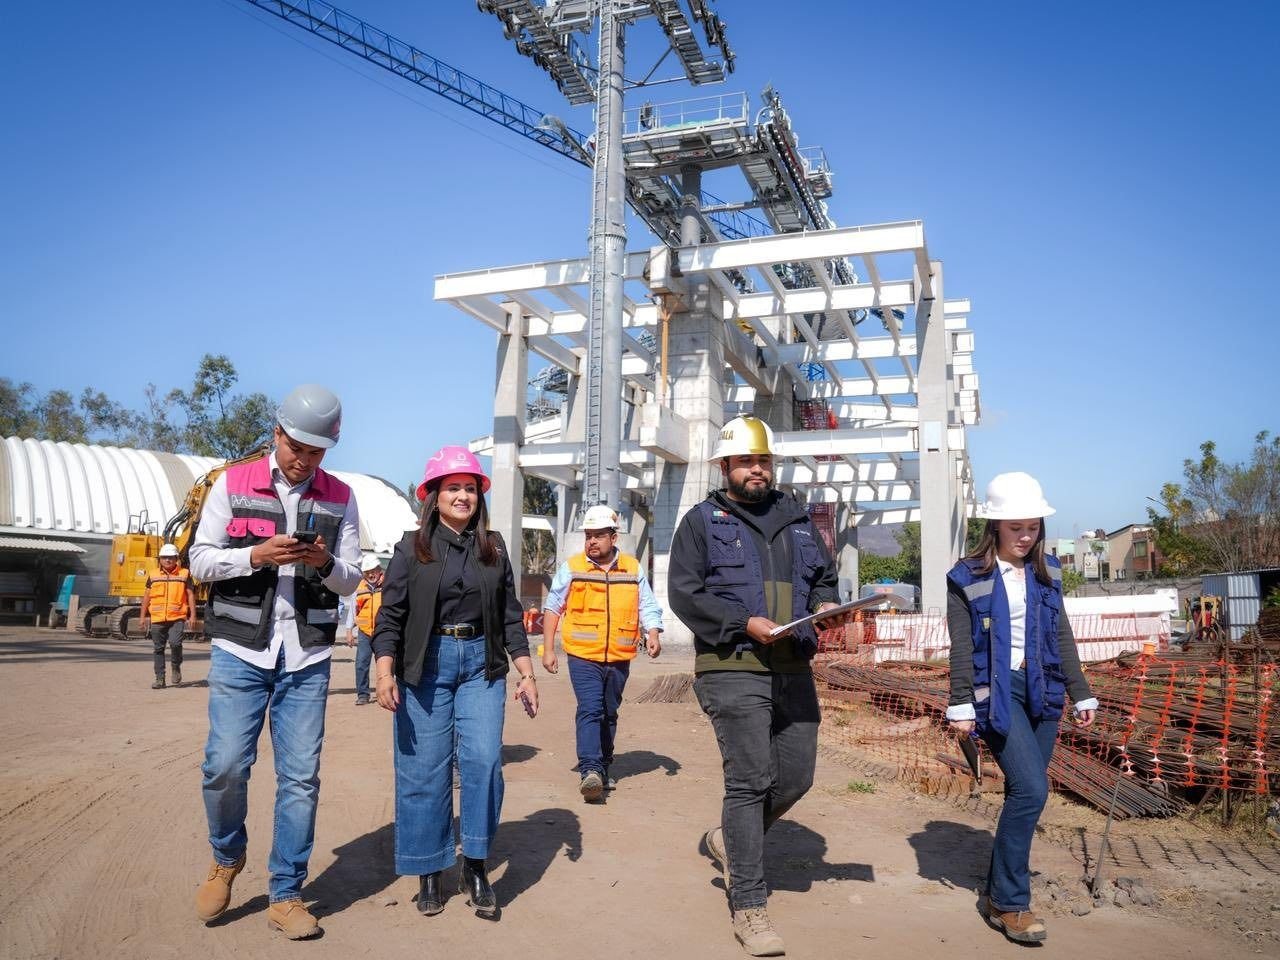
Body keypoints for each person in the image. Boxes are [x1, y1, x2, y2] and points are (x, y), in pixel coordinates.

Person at [667, 415, 853, 957]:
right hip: (732, 664)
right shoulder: (703, 521)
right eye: (746, 461)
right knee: (749, 781)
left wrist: (824, 608)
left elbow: (822, 578)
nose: (757, 470)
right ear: (724, 467)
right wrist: (742, 622)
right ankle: (749, 903)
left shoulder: (797, 519)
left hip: (792, 661)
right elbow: (686, 593)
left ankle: (730, 839)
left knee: (796, 776)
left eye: (764, 461)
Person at [188, 384, 362, 940]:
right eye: (297, 447)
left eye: (316, 452)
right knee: (225, 765)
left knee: (301, 778)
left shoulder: (341, 496)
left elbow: (354, 578)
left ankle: (286, 893)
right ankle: (226, 857)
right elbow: (199, 561)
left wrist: (326, 560)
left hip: (306, 654)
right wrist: (254, 556)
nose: (304, 460)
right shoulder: (231, 484)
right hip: (241, 650)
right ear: (277, 433)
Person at [372, 445, 537, 920]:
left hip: (481, 667)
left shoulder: (495, 548)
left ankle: (476, 865)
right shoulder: (412, 547)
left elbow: (510, 617)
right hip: (425, 666)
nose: (463, 496)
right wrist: (384, 671)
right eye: (453, 488)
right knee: (424, 770)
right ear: (434, 496)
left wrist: (525, 672)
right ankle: (430, 870)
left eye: (469, 488)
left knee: (484, 762)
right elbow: (391, 616)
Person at [945, 472, 1098, 945]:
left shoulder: (1046, 571)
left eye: (1032, 526)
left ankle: (997, 890)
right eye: (1016, 528)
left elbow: (1061, 637)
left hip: (1043, 688)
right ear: (995, 527)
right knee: (1033, 789)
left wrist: (1081, 691)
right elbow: (962, 646)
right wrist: (960, 704)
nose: (1026, 536)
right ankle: (1011, 903)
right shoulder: (966, 576)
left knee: (1023, 794)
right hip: (998, 690)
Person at [541, 504, 663, 802]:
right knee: (590, 708)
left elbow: (646, 604)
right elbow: (553, 606)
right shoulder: (572, 567)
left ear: (613, 537)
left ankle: (603, 766)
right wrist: (547, 649)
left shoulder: (633, 569)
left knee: (609, 712)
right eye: (588, 536)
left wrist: (654, 632)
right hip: (583, 655)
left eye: (598, 536)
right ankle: (590, 770)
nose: (591, 542)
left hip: (619, 656)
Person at [140, 542, 196, 689]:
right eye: (164, 557)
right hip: (157, 618)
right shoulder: (153, 575)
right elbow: (146, 597)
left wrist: (193, 616)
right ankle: (160, 679)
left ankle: (176, 667)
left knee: (175, 643)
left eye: (171, 557)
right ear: (160, 559)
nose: (167, 560)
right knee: (158, 649)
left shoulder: (184, 574)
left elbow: (190, 595)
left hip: (177, 617)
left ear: (176, 558)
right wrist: (142, 616)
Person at [347, 553, 385, 705]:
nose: (371, 574)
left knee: (386, 663)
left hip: (383, 631)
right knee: (361, 663)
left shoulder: (388, 586)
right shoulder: (359, 588)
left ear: (379, 570)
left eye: (373, 571)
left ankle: (385, 691)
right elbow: (352, 610)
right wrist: (349, 630)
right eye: (367, 572)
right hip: (364, 631)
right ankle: (363, 694)